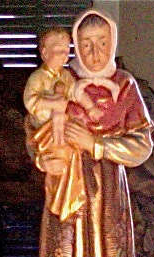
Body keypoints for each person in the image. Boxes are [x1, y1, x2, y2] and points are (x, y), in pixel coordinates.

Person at [24, 9, 154, 257]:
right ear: (74, 48)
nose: (95, 53)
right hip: (65, 185)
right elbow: (34, 127)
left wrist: (97, 144)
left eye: (102, 43)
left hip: (107, 190)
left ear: (113, 43)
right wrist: (41, 159)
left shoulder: (125, 86)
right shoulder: (62, 81)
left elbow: (142, 145)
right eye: (85, 45)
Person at [23, 26, 104, 221]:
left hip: (62, 126)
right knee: (55, 160)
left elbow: (77, 93)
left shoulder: (66, 77)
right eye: (59, 51)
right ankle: (60, 199)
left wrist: (91, 108)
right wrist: (52, 103)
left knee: (73, 152)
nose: (64, 56)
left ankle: (73, 198)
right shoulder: (37, 78)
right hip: (44, 130)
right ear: (44, 53)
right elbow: (31, 102)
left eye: (67, 51)